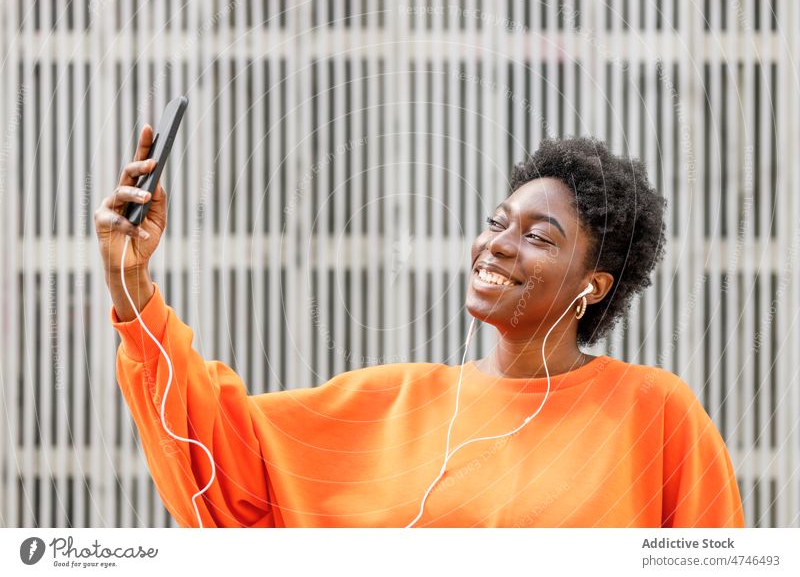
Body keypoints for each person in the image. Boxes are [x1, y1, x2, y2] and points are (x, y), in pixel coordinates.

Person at [94, 129, 745, 528]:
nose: (498, 247)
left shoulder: (654, 413)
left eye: (538, 238)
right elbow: (216, 461)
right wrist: (132, 285)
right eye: (497, 223)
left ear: (592, 286)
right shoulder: (385, 403)